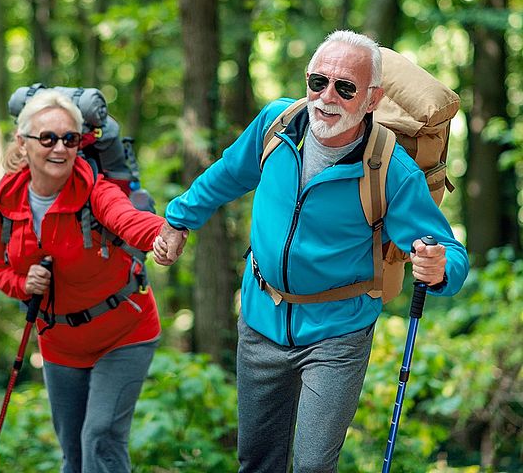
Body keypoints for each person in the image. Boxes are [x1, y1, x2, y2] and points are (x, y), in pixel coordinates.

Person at [153, 30, 469, 472]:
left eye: (345, 88)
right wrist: (179, 218)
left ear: (371, 99)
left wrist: (438, 267)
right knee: (257, 460)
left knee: (312, 465)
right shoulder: (276, 125)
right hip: (261, 316)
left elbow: (451, 254)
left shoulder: (390, 169)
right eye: (317, 81)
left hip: (337, 333)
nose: (326, 97)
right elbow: (227, 173)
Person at [0, 90, 168, 473]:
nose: (60, 148)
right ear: (23, 142)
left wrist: (164, 233)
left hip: (124, 331)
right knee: (73, 453)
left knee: (100, 437)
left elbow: (127, 220)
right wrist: (23, 285)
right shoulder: (6, 199)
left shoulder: (93, 190)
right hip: (60, 343)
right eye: (48, 138)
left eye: (69, 139)